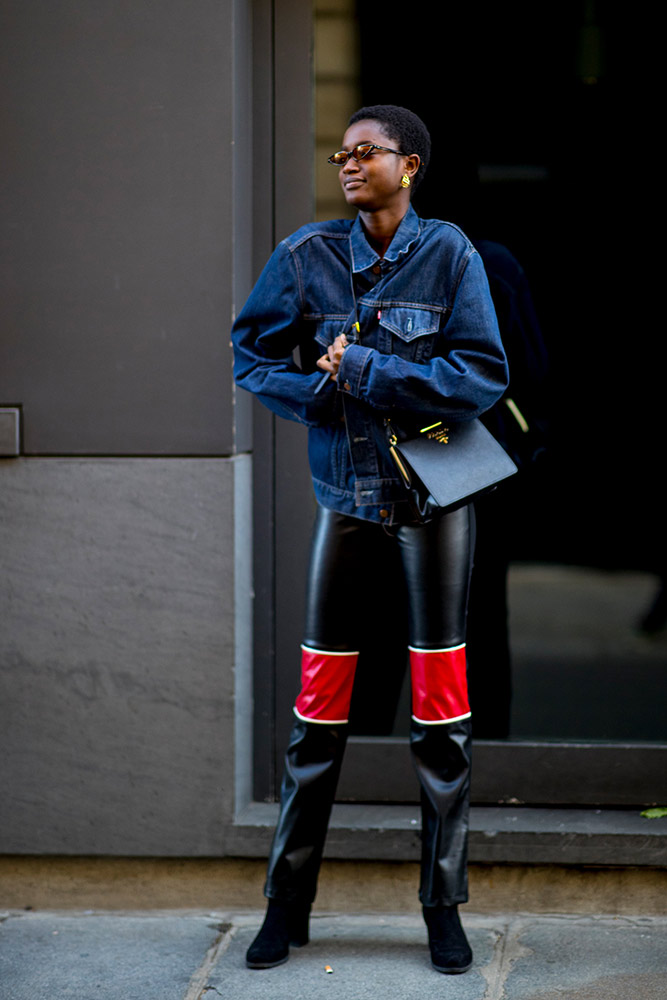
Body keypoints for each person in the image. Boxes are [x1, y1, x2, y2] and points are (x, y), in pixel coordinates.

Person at [232, 105, 508, 976]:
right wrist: (316, 397)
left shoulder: (450, 254)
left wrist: (360, 368)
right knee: (317, 716)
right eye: (340, 153)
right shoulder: (304, 256)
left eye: (367, 151)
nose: (349, 164)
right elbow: (250, 356)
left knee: (441, 722)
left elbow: (479, 376)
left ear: (411, 165)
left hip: (435, 510)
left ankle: (442, 908)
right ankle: (286, 904)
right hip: (345, 504)